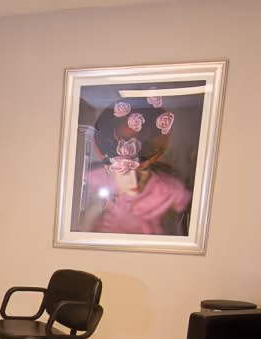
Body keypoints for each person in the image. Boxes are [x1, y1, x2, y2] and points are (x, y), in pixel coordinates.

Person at [78, 96, 191, 235]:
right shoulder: (96, 183)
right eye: (125, 171)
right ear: (109, 171)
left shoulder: (167, 191)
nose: (135, 182)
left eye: (142, 171)